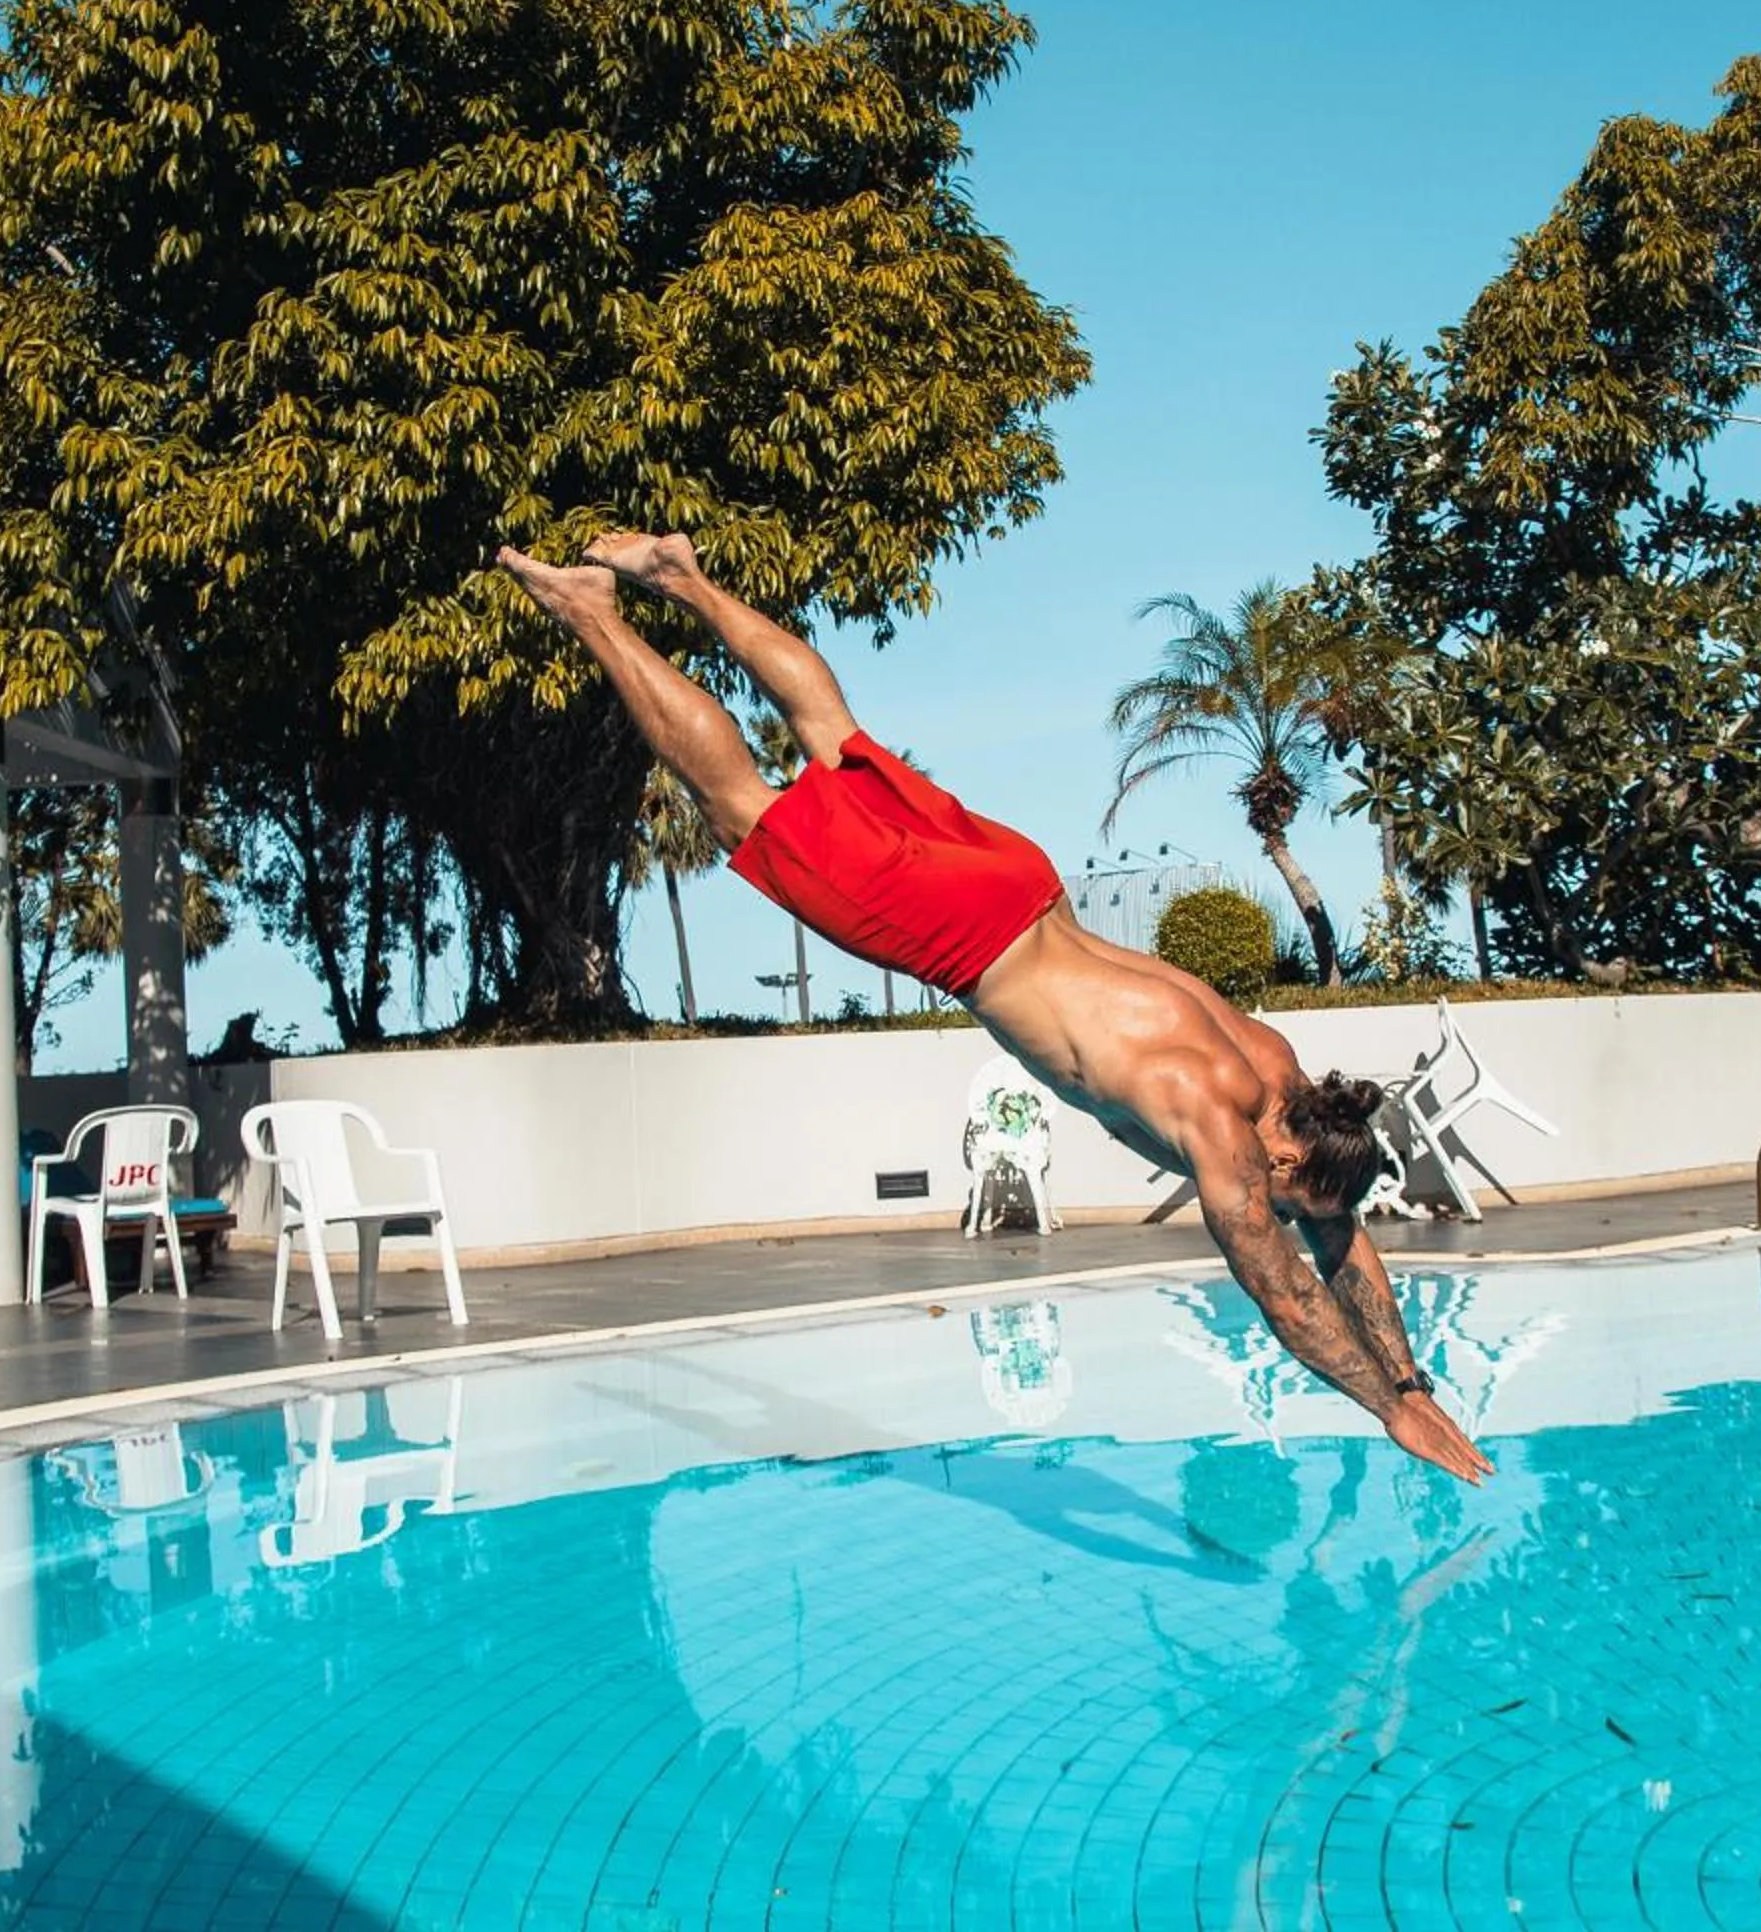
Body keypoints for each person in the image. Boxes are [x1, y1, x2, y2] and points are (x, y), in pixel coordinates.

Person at [496, 533, 1496, 1485]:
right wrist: (1386, 1406)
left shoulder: (1279, 1068)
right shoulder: (1220, 1129)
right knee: (741, 806)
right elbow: (1283, 1288)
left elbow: (1340, 1239)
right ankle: (597, 615)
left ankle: (688, 580)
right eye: (1289, 1198)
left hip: (1023, 881)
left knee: (837, 738)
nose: (1285, 1213)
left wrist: (1411, 1374)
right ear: (1283, 1159)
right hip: (971, 941)